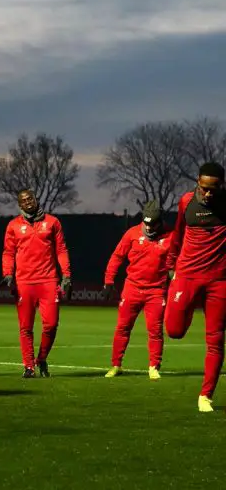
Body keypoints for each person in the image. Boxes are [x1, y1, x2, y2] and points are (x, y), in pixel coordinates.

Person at [165, 162, 226, 412]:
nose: (208, 194)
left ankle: (205, 395)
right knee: (174, 331)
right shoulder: (186, 202)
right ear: (197, 182)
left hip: (219, 281)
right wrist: (170, 264)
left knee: (216, 339)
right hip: (187, 276)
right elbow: (177, 234)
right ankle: (188, 309)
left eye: (214, 189)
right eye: (204, 188)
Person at [0, 189, 71, 378]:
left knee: (51, 325)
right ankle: (29, 366)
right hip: (24, 282)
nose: (28, 201)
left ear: (36, 199)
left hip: (48, 281)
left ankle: (42, 358)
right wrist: (7, 273)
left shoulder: (52, 222)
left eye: (30, 198)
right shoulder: (13, 225)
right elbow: (8, 252)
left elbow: (61, 250)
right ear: (19, 205)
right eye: (23, 200)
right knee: (26, 327)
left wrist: (67, 276)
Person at [101, 200, 171, 379]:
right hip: (132, 288)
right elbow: (117, 257)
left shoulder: (171, 237)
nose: (148, 227)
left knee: (155, 331)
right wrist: (109, 282)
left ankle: (154, 367)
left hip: (156, 291)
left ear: (160, 222)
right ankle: (116, 365)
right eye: (145, 223)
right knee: (122, 328)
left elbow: (177, 264)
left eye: (152, 224)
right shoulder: (131, 234)